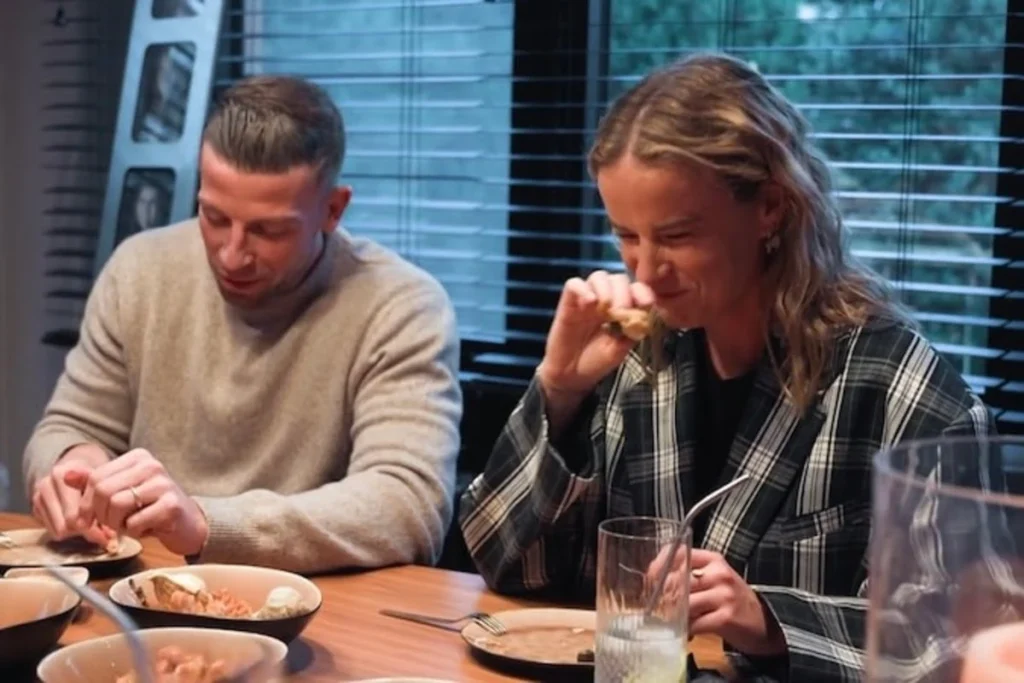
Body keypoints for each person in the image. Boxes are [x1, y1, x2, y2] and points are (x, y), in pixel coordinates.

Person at [459, 53, 991, 681]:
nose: (646, 270)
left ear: (771, 207)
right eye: (628, 235)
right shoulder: (637, 362)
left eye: (678, 236)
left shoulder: (903, 392)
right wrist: (561, 389)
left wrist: (769, 619)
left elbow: (962, 646)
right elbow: (512, 567)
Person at [24, 75, 462, 574]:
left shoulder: (401, 306)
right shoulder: (140, 269)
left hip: (316, 609)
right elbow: (69, 427)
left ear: (333, 210)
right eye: (213, 217)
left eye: (268, 230)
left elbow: (408, 505)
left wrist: (207, 525)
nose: (232, 254)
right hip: (145, 589)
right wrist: (74, 468)